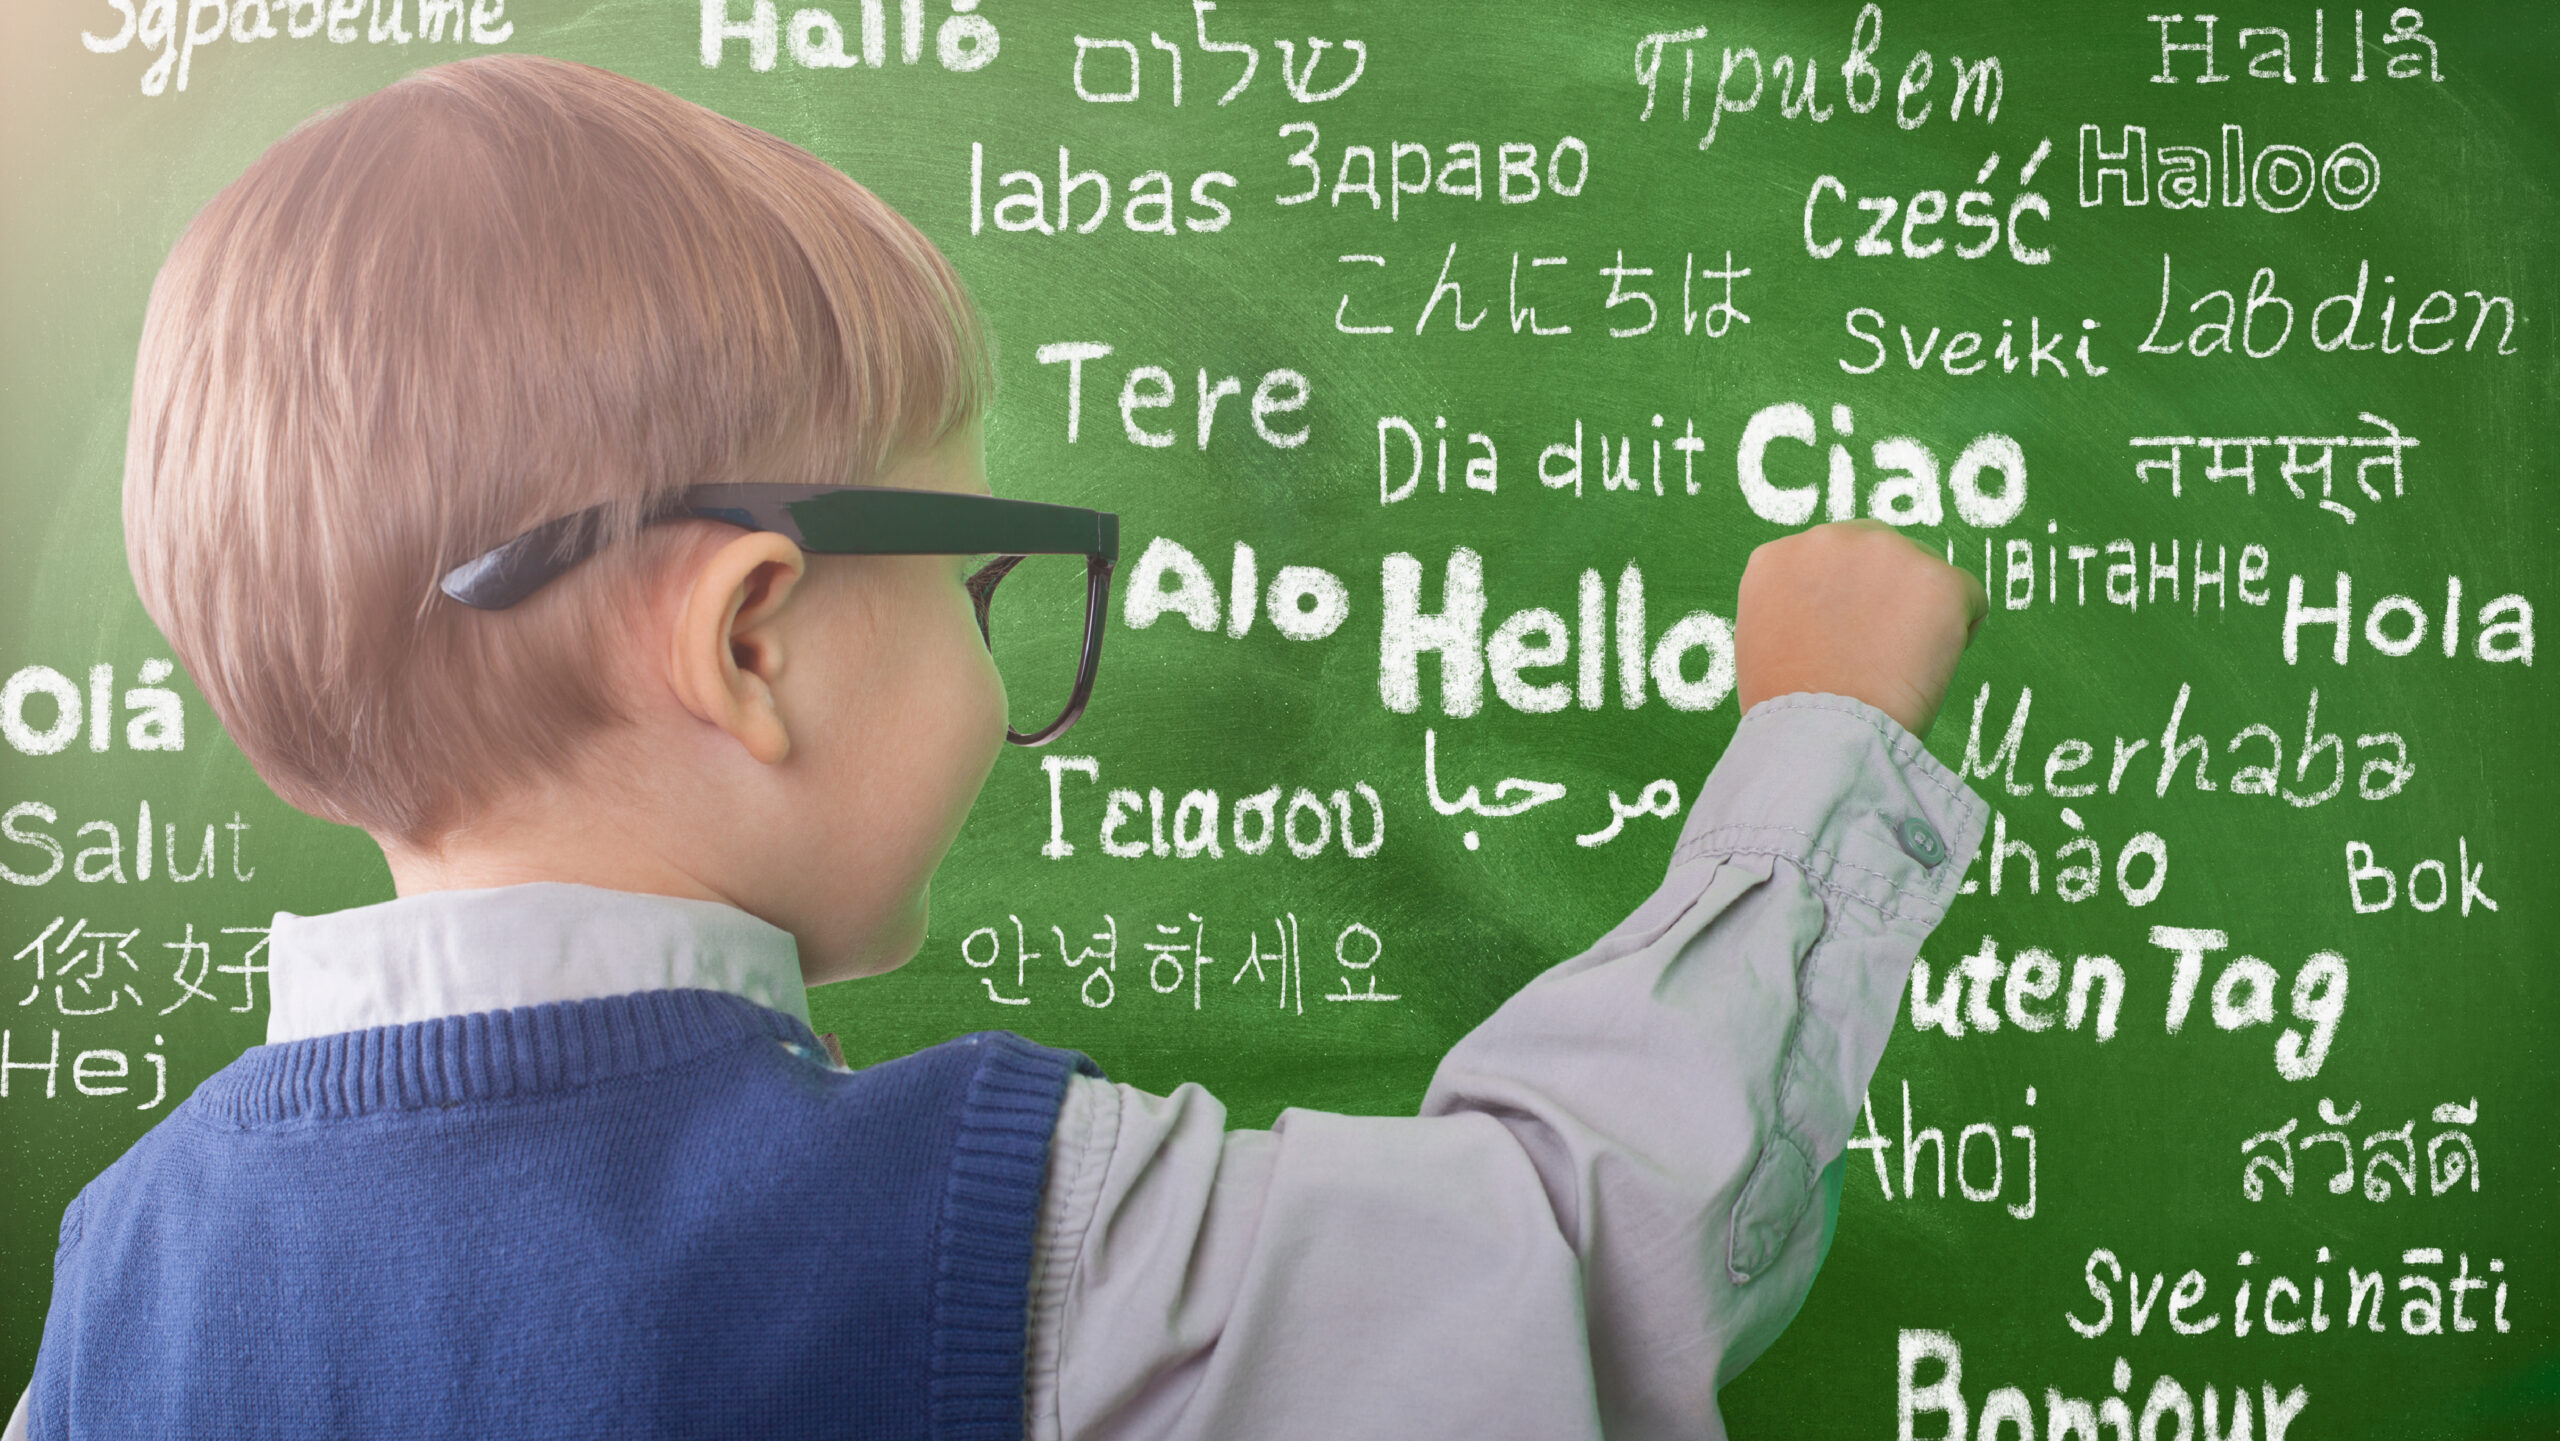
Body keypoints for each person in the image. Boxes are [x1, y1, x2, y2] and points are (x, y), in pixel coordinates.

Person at [11, 53, 1989, 1441]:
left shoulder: (121, 1277)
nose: (998, 667)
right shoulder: (999, 1231)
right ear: (754, 634)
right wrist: (1815, 740)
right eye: (973, 582)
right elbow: (1587, 1257)